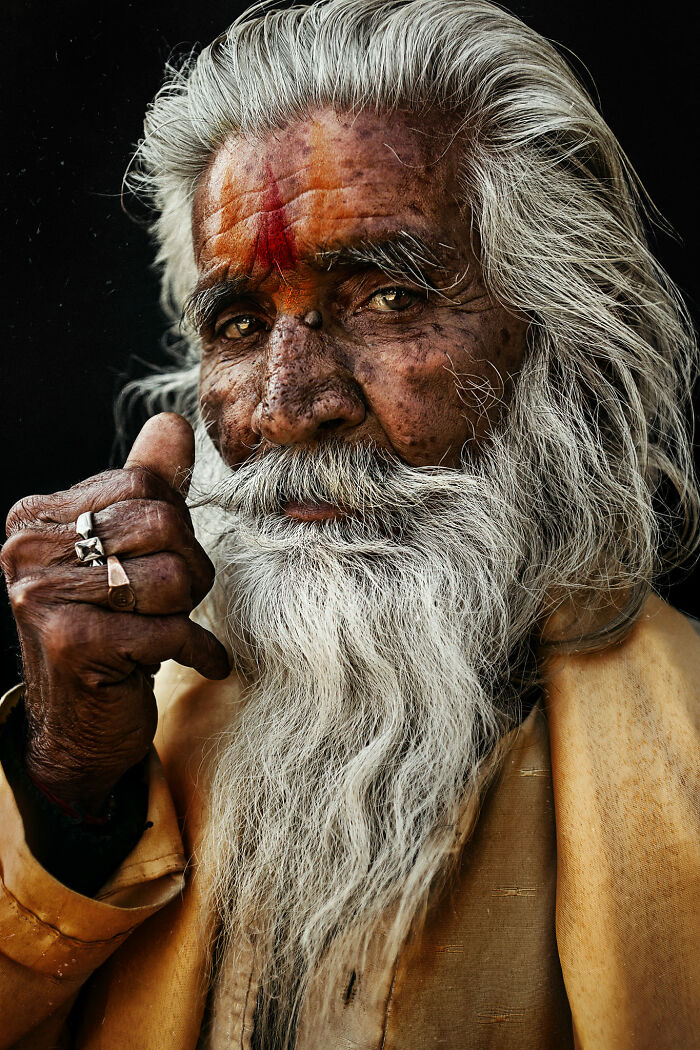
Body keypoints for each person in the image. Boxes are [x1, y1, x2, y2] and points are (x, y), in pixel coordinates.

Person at [0, 1, 698, 1047]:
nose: (287, 404)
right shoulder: (132, 731)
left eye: (387, 299)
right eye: (239, 324)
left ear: (559, 337)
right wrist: (69, 782)